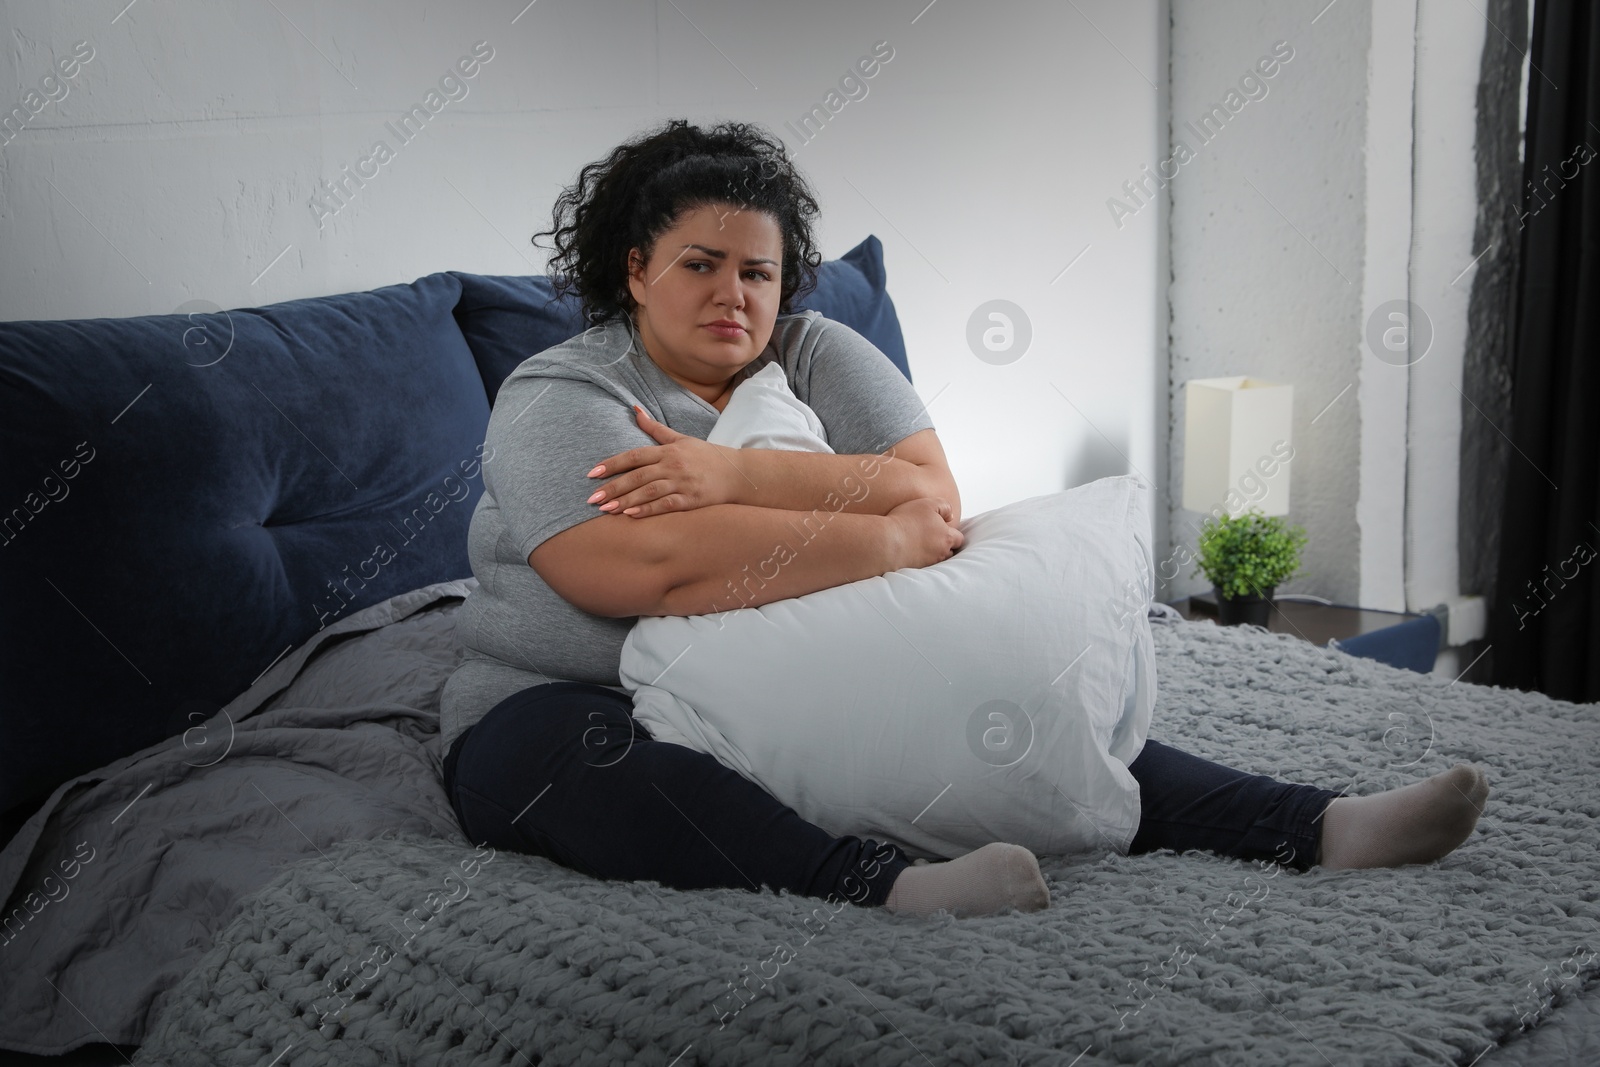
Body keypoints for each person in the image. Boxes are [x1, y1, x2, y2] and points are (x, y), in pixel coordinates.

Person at [437, 118, 1491, 919]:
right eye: (698, 265)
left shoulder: (815, 352)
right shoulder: (559, 397)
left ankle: (1319, 824)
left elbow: (933, 494)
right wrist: (881, 537)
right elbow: (646, 574)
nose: (733, 296)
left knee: (1021, 719)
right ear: (635, 270)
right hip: (572, 692)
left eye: (755, 270)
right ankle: (885, 888)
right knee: (580, 762)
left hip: (797, 656)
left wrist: (725, 475)